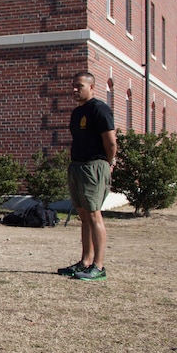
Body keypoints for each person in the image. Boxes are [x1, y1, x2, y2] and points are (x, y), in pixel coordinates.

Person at [59, 71, 116, 281]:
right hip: (77, 167)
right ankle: (85, 261)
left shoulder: (100, 110)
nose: (75, 89)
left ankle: (99, 266)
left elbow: (110, 142)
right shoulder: (76, 113)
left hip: (94, 167)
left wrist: (108, 163)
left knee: (94, 215)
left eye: (80, 86)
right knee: (83, 216)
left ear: (91, 87)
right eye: (74, 85)